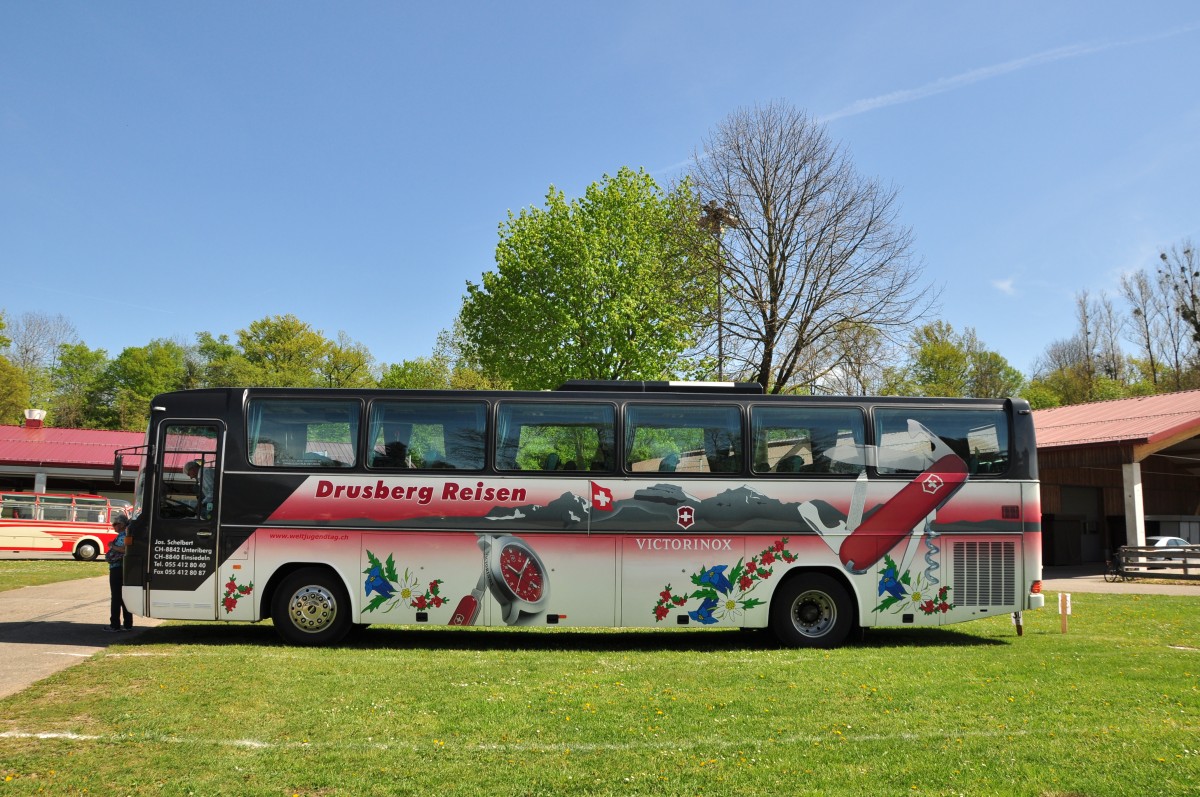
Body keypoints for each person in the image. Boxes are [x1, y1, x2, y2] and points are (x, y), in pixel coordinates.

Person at [105, 514, 133, 631]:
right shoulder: (127, 535)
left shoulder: (122, 536)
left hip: (117, 568)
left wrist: (112, 546)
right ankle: (128, 624)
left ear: (121, 525)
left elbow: (124, 549)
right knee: (124, 598)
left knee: (116, 597)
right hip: (124, 569)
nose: (113, 526)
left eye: (115, 524)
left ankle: (115, 624)